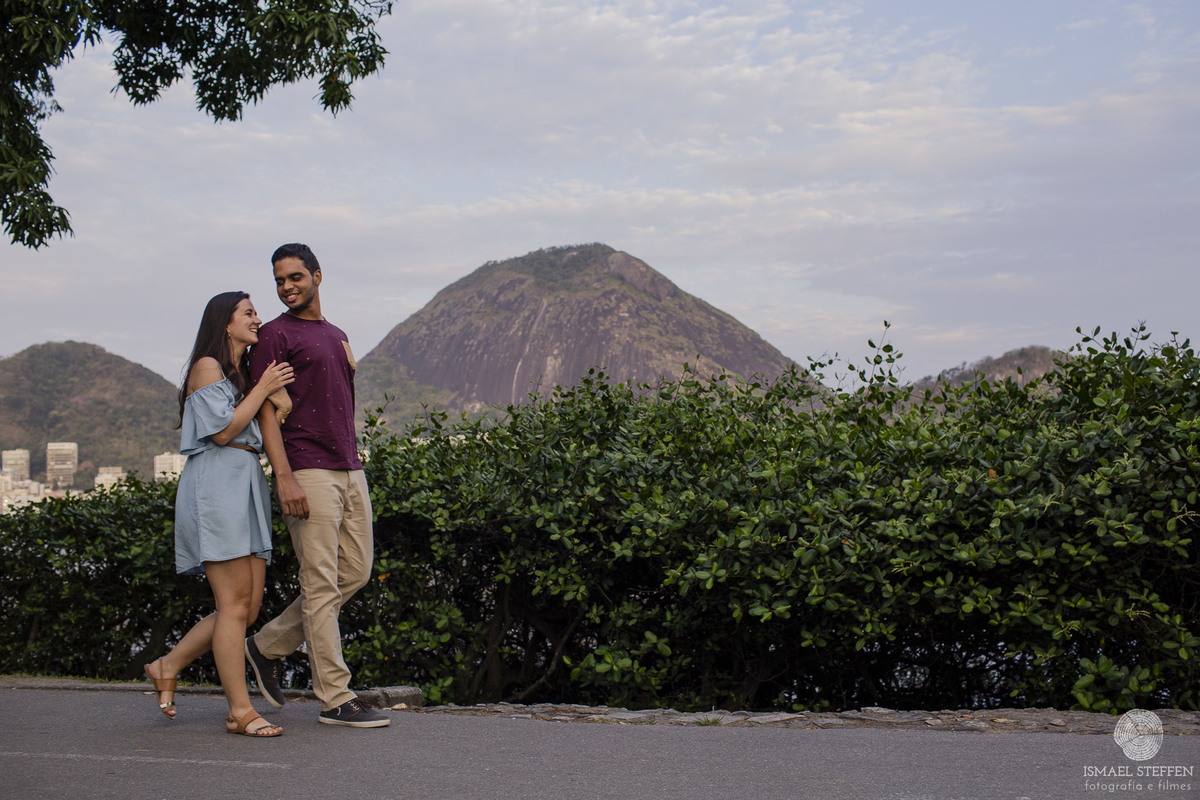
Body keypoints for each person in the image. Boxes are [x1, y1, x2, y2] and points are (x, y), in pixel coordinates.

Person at [243, 243, 389, 728]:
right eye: (279, 280)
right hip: (306, 468)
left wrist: (353, 459)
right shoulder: (272, 337)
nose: (287, 287)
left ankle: (267, 646)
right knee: (321, 583)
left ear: (318, 277)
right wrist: (283, 476)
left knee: (356, 572)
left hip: (349, 468)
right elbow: (266, 410)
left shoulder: (338, 335)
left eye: (295, 277)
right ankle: (336, 697)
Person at [143, 291, 295, 737]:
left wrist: (271, 396)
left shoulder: (241, 374)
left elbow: (249, 425)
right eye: (248, 312)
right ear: (224, 323)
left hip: (243, 481)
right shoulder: (206, 367)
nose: (257, 318)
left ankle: (168, 664)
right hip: (216, 484)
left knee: (244, 611)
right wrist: (265, 388)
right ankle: (240, 710)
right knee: (232, 605)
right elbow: (225, 431)